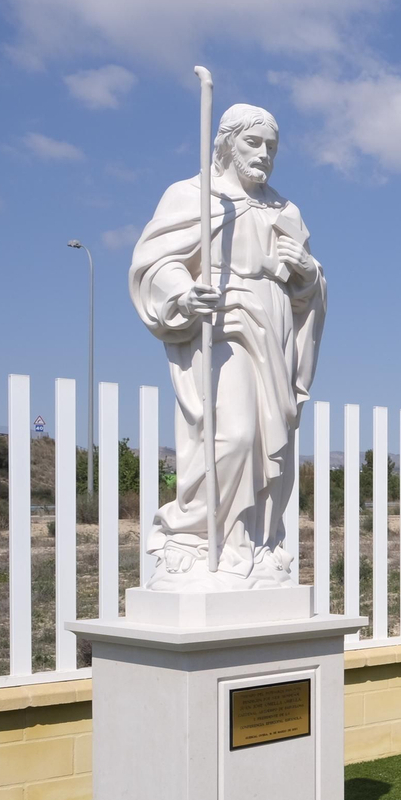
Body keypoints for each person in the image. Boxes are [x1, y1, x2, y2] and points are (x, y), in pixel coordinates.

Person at [130, 104, 324, 589]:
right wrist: (183, 292)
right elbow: (157, 263)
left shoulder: (285, 210)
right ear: (226, 143)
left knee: (268, 445)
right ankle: (192, 537)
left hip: (274, 329)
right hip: (225, 321)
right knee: (233, 435)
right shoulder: (192, 197)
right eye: (253, 143)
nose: (264, 155)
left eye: (272, 147)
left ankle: (253, 544)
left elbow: (309, 293)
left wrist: (306, 270)